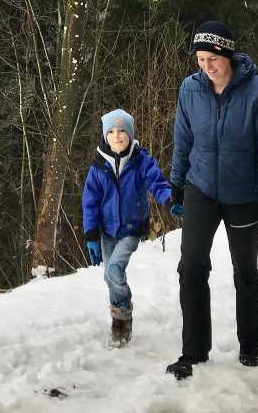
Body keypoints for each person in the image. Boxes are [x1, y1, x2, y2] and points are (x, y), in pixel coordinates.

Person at [165, 20, 258, 380]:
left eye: (211, 59)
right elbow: (182, 138)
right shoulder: (190, 89)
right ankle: (193, 349)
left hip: (243, 194)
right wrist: (176, 181)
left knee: (245, 271)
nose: (206, 66)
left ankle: (250, 344)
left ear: (227, 54)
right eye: (200, 59)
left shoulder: (257, 91)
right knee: (191, 267)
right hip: (200, 188)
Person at [82, 108, 183, 347]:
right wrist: (91, 234)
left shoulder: (141, 161)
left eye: (122, 132)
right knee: (110, 277)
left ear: (130, 134)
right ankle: (118, 318)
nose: (117, 136)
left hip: (132, 227)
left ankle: (123, 318)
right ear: (105, 136)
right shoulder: (98, 167)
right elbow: (90, 202)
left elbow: (157, 183)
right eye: (112, 132)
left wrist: (169, 200)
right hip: (107, 230)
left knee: (115, 270)